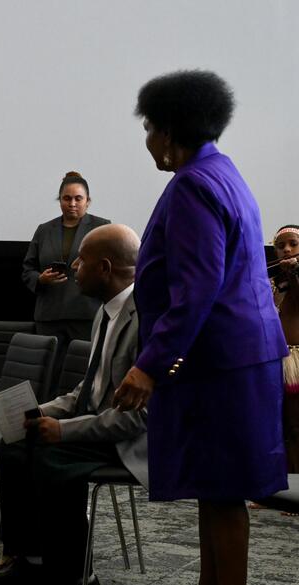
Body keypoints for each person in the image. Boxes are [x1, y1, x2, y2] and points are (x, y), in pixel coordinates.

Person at [115, 70, 288, 585]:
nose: (146, 139)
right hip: (239, 357)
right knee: (220, 491)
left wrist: (149, 365)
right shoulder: (225, 171)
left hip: (220, 364)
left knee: (223, 492)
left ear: (169, 130)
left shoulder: (192, 185)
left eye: (149, 127)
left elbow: (197, 288)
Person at [0, 224, 146, 585]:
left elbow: (138, 418)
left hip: (131, 440)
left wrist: (63, 429)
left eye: (83, 260)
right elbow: (90, 388)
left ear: (106, 268)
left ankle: (74, 574)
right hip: (96, 425)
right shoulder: (105, 313)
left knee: (54, 456)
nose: (74, 266)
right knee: (15, 443)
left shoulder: (146, 320)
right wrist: (46, 411)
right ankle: (28, 559)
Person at [21, 172, 110, 401]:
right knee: (47, 376)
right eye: (66, 198)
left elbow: (110, 269)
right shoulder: (44, 229)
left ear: (87, 201)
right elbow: (27, 269)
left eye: (78, 199)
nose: (72, 204)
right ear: (59, 199)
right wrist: (40, 279)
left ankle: (78, 420)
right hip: (49, 315)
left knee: (82, 374)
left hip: (86, 313)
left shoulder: (102, 227)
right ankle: (44, 422)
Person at [271, 225, 299, 474]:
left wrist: (294, 275)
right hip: (276, 360)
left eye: (293, 244)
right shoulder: (271, 282)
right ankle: (286, 482)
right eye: (281, 246)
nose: (287, 250)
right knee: (281, 425)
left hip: (297, 363)